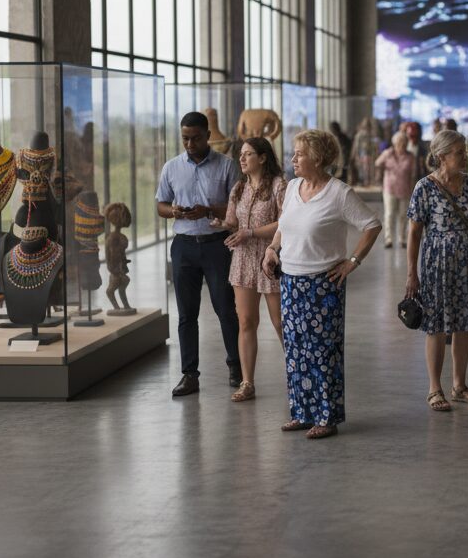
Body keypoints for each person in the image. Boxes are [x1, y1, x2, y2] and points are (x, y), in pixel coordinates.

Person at [262, 129, 381, 439]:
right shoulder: (291, 188)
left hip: (323, 284)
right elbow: (284, 227)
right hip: (290, 282)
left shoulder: (339, 193)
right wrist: (273, 249)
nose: (293, 159)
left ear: (316, 157)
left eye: (299, 154)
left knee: (322, 353)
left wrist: (352, 261)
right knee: (296, 351)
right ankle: (301, 412)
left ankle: (326, 417)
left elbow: (371, 225)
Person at [156, 111, 242, 398]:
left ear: (207, 136)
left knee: (225, 309)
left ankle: (236, 367)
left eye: (195, 138)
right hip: (183, 246)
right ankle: (189, 375)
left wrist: (206, 210)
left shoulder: (227, 166)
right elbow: (161, 205)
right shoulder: (171, 167)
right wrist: (175, 211)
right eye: (185, 139)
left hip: (217, 245)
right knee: (186, 314)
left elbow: (238, 209)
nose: (189, 144)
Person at [406, 130, 468, 412]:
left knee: (464, 324)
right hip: (437, 265)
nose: (465, 156)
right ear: (442, 156)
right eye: (459, 152)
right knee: (437, 327)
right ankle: (434, 388)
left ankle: (459, 385)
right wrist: (411, 273)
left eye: (464, 150)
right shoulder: (424, 187)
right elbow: (414, 234)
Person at [210, 137, 286, 402]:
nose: (241, 159)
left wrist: (250, 232)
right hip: (242, 261)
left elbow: (285, 223)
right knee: (246, 322)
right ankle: (247, 382)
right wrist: (221, 223)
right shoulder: (238, 188)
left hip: (270, 260)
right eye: (240, 155)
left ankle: (297, 376)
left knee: (280, 323)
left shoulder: (279, 186)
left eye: (247, 154)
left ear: (263, 157)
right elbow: (233, 222)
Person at [375, 132, 416, 248]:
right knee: (389, 214)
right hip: (390, 188)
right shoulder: (388, 153)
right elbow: (377, 163)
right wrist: (383, 165)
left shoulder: (411, 156)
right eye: (399, 142)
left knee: (403, 215)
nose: (402, 145)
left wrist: (413, 190)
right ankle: (389, 239)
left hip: (405, 189)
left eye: (404, 142)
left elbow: (413, 174)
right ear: (395, 143)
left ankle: (402, 239)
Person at [352, 117, 379, 187]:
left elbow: (376, 144)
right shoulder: (359, 134)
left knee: (371, 168)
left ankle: (370, 181)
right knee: (363, 169)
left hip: (371, 153)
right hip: (363, 153)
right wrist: (356, 155)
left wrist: (377, 152)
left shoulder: (373, 134)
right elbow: (357, 145)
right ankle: (365, 182)